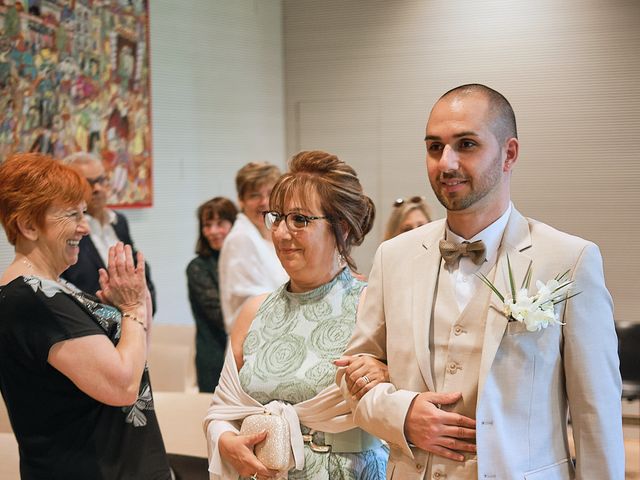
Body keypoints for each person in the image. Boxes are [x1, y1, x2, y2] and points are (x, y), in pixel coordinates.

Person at [339, 84, 624, 479]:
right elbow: (353, 375)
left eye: (466, 144)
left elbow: (596, 413)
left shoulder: (570, 260)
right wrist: (401, 415)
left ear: (509, 153)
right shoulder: (394, 255)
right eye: (434, 147)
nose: (446, 163)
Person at [204, 150, 389, 480]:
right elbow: (222, 409)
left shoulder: (372, 306)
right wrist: (226, 440)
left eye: (300, 220)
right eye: (277, 217)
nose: (282, 233)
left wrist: (387, 376)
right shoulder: (254, 311)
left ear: (342, 227)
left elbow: (409, 399)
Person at [0, 153, 170, 479]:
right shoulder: (34, 298)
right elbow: (121, 386)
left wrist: (133, 309)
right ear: (28, 225)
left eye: (84, 213)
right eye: (72, 215)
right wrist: (132, 310)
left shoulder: (54, 288)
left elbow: (131, 364)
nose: (84, 226)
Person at [60, 152, 157, 314]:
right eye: (87, 183)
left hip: (135, 322)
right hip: (95, 330)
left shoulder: (119, 221)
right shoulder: (70, 230)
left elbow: (138, 270)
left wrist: (144, 308)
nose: (97, 188)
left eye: (100, 180)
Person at [218, 162, 288, 331]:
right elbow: (254, 303)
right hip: (254, 339)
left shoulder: (272, 234)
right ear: (241, 200)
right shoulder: (241, 239)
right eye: (254, 195)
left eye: (270, 193)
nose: (264, 202)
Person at [187, 197, 238, 393]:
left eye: (220, 224)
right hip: (214, 356)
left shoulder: (242, 261)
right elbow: (221, 315)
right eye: (207, 225)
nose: (213, 231)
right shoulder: (198, 268)